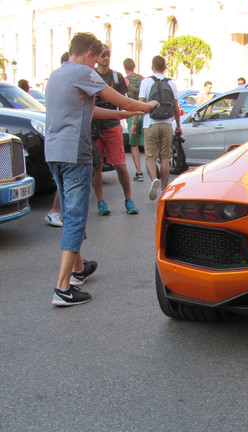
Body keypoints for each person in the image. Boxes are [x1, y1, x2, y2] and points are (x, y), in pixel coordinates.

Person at [46, 32, 157, 307]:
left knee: (71, 213)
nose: (96, 66)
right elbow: (125, 99)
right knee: (75, 218)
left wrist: (123, 115)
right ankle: (62, 289)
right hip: (75, 154)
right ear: (88, 55)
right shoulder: (84, 73)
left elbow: (91, 111)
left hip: (54, 153)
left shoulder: (57, 76)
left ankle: (77, 269)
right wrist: (147, 107)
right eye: (96, 60)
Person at [91, 44, 139, 216]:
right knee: (97, 166)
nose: (106, 58)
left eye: (108, 55)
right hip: (95, 127)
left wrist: (132, 115)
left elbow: (123, 101)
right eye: (103, 55)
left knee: (120, 165)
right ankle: (101, 202)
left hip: (112, 125)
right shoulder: (89, 75)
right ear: (96, 56)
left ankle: (129, 200)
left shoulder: (117, 77)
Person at [133, 55, 182, 200]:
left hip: (151, 124)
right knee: (165, 158)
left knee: (150, 157)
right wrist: (178, 125)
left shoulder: (146, 82)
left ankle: (154, 179)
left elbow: (141, 102)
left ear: (152, 67)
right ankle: (163, 189)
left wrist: (134, 122)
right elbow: (176, 108)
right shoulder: (171, 84)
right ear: (164, 67)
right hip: (167, 124)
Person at [45, 51, 71, 227]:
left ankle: (59, 211)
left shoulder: (55, 78)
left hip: (59, 143)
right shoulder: (61, 80)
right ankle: (55, 211)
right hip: (63, 143)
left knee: (64, 182)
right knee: (64, 181)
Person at [123, 57, 145, 182]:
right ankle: (153, 167)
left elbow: (123, 97)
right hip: (143, 112)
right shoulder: (142, 79)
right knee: (146, 144)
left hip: (132, 113)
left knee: (134, 144)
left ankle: (139, 172)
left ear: (125, 68)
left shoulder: (125, 80)